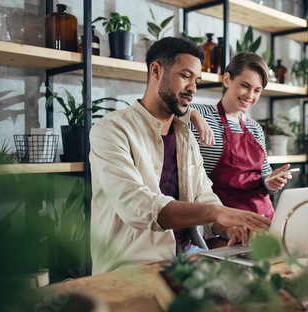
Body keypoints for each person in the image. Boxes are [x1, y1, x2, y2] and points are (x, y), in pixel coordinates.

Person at [89, 37, 271, 274]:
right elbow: (137, 206)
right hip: (133, 269)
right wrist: (220, 211)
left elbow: (202, 195)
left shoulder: (185, 134)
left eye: (197, 80)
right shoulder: (111, 130)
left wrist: (228, 228)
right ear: (156, 70)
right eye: (185, 76)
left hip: (188, 258)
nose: (193, 88)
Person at [188, 52, 293, 220]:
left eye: (257, 90)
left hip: (264, 218)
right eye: (245, 86)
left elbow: (264, 179)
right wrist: (192, 114)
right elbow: (168, 108)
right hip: (224, 222)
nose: (250, 96)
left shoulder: (255, 128)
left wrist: (272, 182)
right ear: (227, 79)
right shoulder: (202, 115)